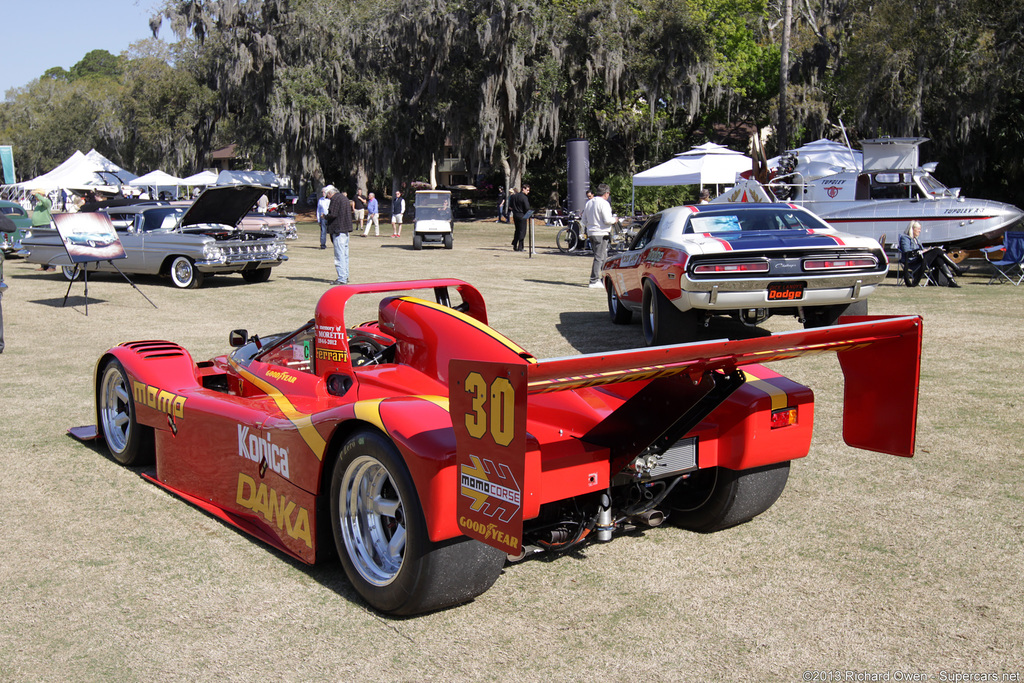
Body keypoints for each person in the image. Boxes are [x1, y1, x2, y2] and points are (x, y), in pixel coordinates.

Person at [898, 220, 961, 287]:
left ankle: (951, 281)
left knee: (938, 259)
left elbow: (921, 249)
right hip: (912, 261)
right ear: (913, 229)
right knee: (937, 250)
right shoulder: (905, 238)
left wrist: (926, 250)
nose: (920, 231)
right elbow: (907, 252)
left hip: (920, 258)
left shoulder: (917, 239)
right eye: (918, 229)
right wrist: (921, 252)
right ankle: (956, 268)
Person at [583, 183, 618, 288]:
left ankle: (606, 277)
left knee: (603, 256)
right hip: (601, 233)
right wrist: (615, 220)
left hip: (591, 232)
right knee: (599, 257)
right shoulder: (604, 203)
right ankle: (593, 280)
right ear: (606, 193)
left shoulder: (589, 203)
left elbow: (584, 220)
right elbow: (607, 220)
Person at [324, 186, 354, 285]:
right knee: (345, 255)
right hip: (345, 230)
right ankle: (345, 275)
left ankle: (342, 278)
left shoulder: (335, 199)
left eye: (327, 196)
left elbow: (333, 214)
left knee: (339, 256)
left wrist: (324, 216)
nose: (328, 198)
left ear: (329, 193)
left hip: (338, 230)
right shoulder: (344, 198)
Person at [30, 189, 55, 271]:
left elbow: (45, 202)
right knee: (40, 247)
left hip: (44, 225)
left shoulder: (47, 201)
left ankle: (52, 266)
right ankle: (43, 265)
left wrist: (37, 195)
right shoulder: (38, 204)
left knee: (47, 246)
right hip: (37, 226)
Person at [509, 184, 532, 251]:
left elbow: (510, 206)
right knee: (522, 231)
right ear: (523, 189)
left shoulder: (514, 196)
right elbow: (527, 208)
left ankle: (515, 244)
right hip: (522, 215)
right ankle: (520, 246)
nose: (528, 192)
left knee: (517, 230)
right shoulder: (524, 197)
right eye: (527, 190)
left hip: (515, 215)